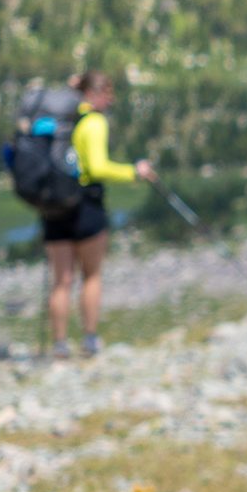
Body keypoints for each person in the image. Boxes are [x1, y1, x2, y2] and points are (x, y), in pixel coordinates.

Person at [44, 69, 153, 359]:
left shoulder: (63, 118)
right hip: (85, 204)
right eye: (107, 93)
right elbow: (97, 167)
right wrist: (134, 172)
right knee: (91, 275)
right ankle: (90, 339)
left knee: (61, 280)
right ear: (93, 94)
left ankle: (59, 344)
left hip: (53, 206)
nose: (110, 99)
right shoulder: (94, 122)